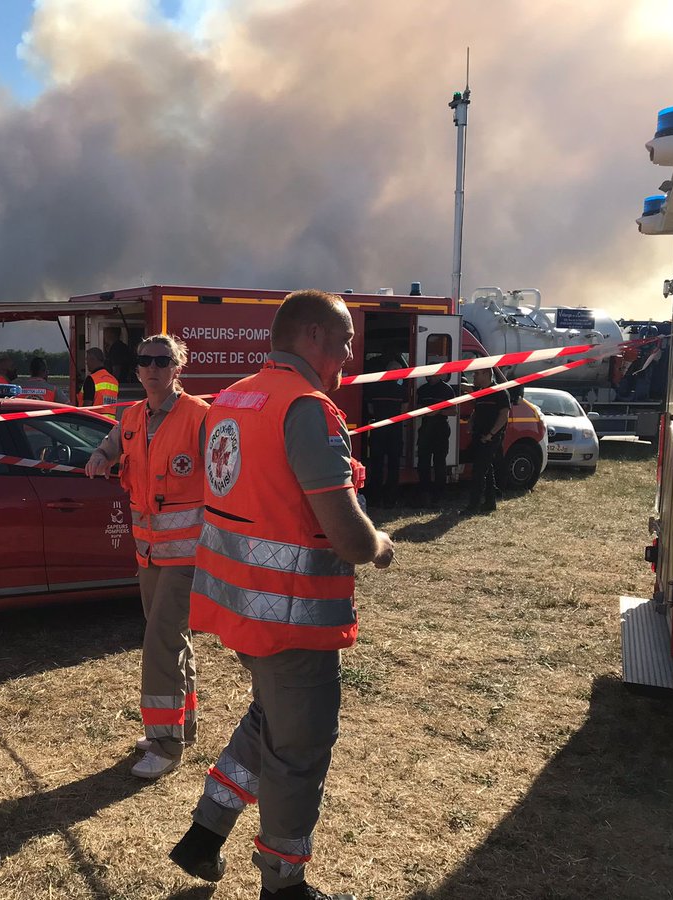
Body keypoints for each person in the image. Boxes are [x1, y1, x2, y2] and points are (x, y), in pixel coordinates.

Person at [169, 290, 393, 900]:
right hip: (292, 619)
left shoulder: (233, 399)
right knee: (300, 750)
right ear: (314, 336)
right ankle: (283, 884)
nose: (351, 352)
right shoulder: (306, 410)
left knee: (272, 719)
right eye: (345, 340)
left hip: (241, 611)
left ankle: (205, 833)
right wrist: (381, 544)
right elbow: (347, 536)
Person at [86, 335, 208, 780]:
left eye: (163, 361)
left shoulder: (200, 417)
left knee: (160, 642)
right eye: (144, 361)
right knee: (173, 640)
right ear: (136, 370)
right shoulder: (132, 416)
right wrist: (101, 455)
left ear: (178, 369)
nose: (152, 368)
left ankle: (164, 742)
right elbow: (113, 444)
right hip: (148, 553)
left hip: (188, 556)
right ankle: (183, 724)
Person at [464, 368, 511, 514]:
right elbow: (476, 411)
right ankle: (490, 502)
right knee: (487, 469)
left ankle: (473, 505)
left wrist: (491, 434)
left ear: (486, 374)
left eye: (476, 373)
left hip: (491, 437)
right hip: (479, 435)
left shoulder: (500, 391)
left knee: (478, 471)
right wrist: (471, 423)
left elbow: (504, 415)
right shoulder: (480, 392)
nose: (474, 376)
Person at [362, 357, 408, 507]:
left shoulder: (374, 387)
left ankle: (375, 498)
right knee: (393, 465)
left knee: (377, 464)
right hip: (395, 430)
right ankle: (391, 500)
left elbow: (370, 409)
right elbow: (404, 409)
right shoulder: (401, 388)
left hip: (378, 429)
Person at [415, 373, 457, 506]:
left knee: (440, 462)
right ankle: (424, 493)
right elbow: (416, 408)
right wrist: (424, 411)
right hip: (426, 427)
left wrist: (438, 411)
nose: (430, 377)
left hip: (441, 428)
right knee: (423, 461)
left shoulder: (447, 389)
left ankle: (439, 494)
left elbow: (453, 411)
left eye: (433, 375)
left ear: (440, 375)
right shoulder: (422, 389)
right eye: (428, 375)